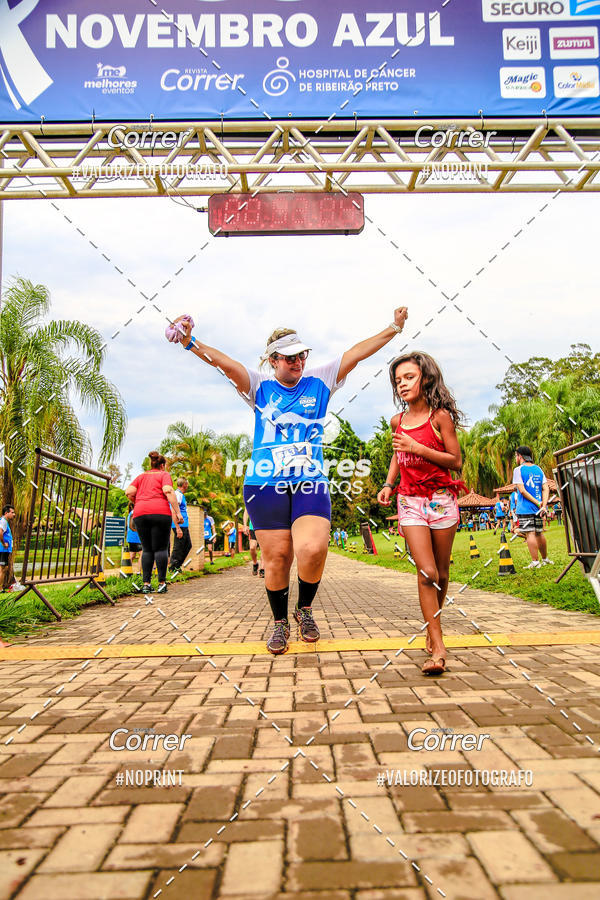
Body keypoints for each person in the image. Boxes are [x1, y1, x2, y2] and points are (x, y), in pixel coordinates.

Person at [171, 307, 408, 654]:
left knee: (312, 548)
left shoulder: (320, 380)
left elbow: (357, 353)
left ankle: (304, 609)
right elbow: (225, 364)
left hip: (309, 480)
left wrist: (393, 328)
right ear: (273, 360)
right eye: (289, 357)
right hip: (265, 485)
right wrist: (191, 343)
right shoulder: (259, 386)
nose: (298, 362)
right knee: (278, 558)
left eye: (301, 355)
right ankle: (280, 622)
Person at [377, 352, 465, 677]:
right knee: (427, 572)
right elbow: (398, 455)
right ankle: (438, 646)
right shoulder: (397, 421)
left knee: (441, 573)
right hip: (410, 500)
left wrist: (419, 449)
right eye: (398, 380)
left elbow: (455, 460)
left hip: (441, 499)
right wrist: (389, 484)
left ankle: (432, 626)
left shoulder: (440, 417)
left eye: (409, 377)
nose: (402, 384)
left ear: (425, 378)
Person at [125, 452, 182, 594]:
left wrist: (139, 502)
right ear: (162, 465)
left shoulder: (141, 476)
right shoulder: (164, 475)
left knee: (147, 549)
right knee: (161, 549)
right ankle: (161, 583)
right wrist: (178, 512)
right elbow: (168, 491)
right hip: (160, 513)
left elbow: (129, 492)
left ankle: (146, 584)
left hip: (140, 514)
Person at [512, 446, 553, 568]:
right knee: (539, 533)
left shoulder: (518, 470)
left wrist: (537, 503)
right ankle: (545, 559)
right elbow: (546, 488)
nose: (516, 458)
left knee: (530, 533)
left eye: (516, 456)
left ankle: (535, 561)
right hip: (539, 509)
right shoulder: (538, 469)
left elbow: (522, 490)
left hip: (525, 508)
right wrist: (543, 505)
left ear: (520, 456)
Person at [170, 477, 192, 573]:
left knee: (188, 545)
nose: (188, 486)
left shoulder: (181, 495)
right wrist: (177, 528)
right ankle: (173, 568)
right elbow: (173, 511)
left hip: (184, 525)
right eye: (187, 484)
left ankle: (177, 566)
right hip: (179, 526)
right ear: (184, 485)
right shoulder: (177, 494)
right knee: (178, 547)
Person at [243, 509, 264, 576]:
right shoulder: (250, 501)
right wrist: (245, 525)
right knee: (252, 547)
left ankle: (262, 568)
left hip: (265, 526)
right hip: (253, 526)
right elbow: (246, 512)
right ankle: (255, 563)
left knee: (263, 548)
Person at [0, 505, 16, 592]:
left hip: (4, 549)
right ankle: (0, 588)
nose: (14, 514)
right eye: (12, 512)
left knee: (3, 568)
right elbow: (0, 532)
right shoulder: (3, 521)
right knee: (2, 569)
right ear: (6, 513)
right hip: (3, 549)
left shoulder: (4, 521)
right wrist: (4, 543)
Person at [125, 505, 142, 573]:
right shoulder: (136, 512)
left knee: (132, 555)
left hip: (131, 537)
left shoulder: (131, 513)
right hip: (137, 537)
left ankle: (126, 571)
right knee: (142, 554)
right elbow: (133, 526)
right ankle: (138, 572)